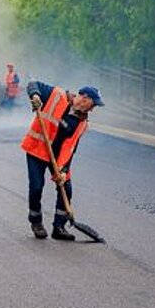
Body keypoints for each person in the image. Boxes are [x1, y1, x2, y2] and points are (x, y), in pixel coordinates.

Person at [21, 81, 104, 241]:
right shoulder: (57, 95)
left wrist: (63, 171)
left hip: (57, 158)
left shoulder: (82, 123)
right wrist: (36, 96)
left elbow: (70, 148)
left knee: (66, 188)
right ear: (85, 98)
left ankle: (59, 227)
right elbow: (33, 84)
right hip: (37, 149)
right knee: (37, 186)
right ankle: (36, 221)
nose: (92, 109)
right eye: (93, 105)